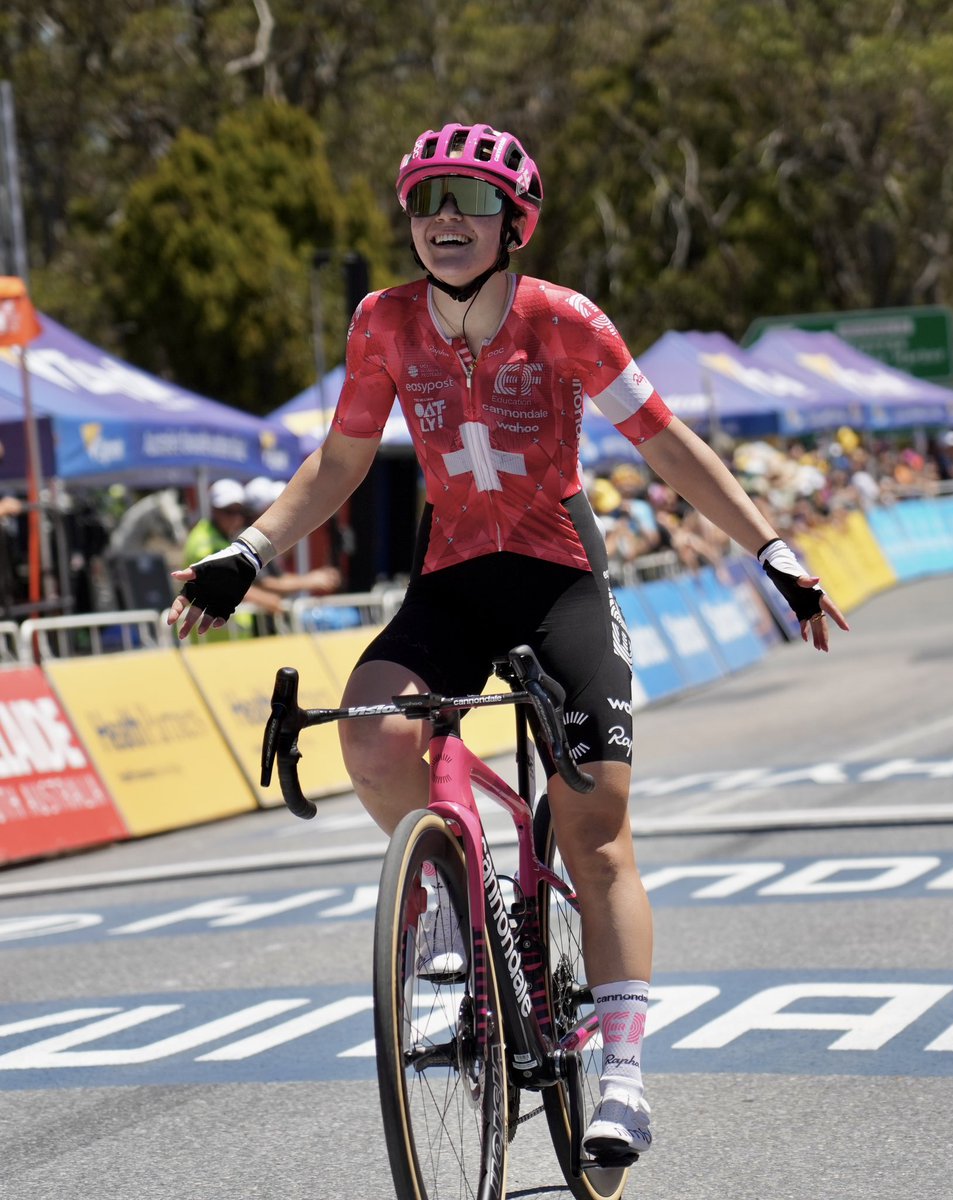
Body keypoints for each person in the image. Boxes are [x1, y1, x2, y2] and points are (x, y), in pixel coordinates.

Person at [169, 122, 849, 1167]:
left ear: (514, 223)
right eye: (427, 200)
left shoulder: (565, 322)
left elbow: (667, 446)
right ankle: (454, 912)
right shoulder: (383, 323)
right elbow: (342, 460)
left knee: (596, 822)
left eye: (472, 200)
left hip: (557, 580)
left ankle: (622, 1075)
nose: (445, 218)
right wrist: (249, 550)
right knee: (372, 734)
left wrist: (773, 549)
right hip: (451, 581)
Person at [180, 479, 285, 638]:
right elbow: (220, 580)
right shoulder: (204, 540)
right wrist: (263, 599)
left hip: (231, 634)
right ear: (214, 510)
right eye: (229, 511)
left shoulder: (224, 537)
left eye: (240, 512)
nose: (236, 518)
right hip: (211, 638)